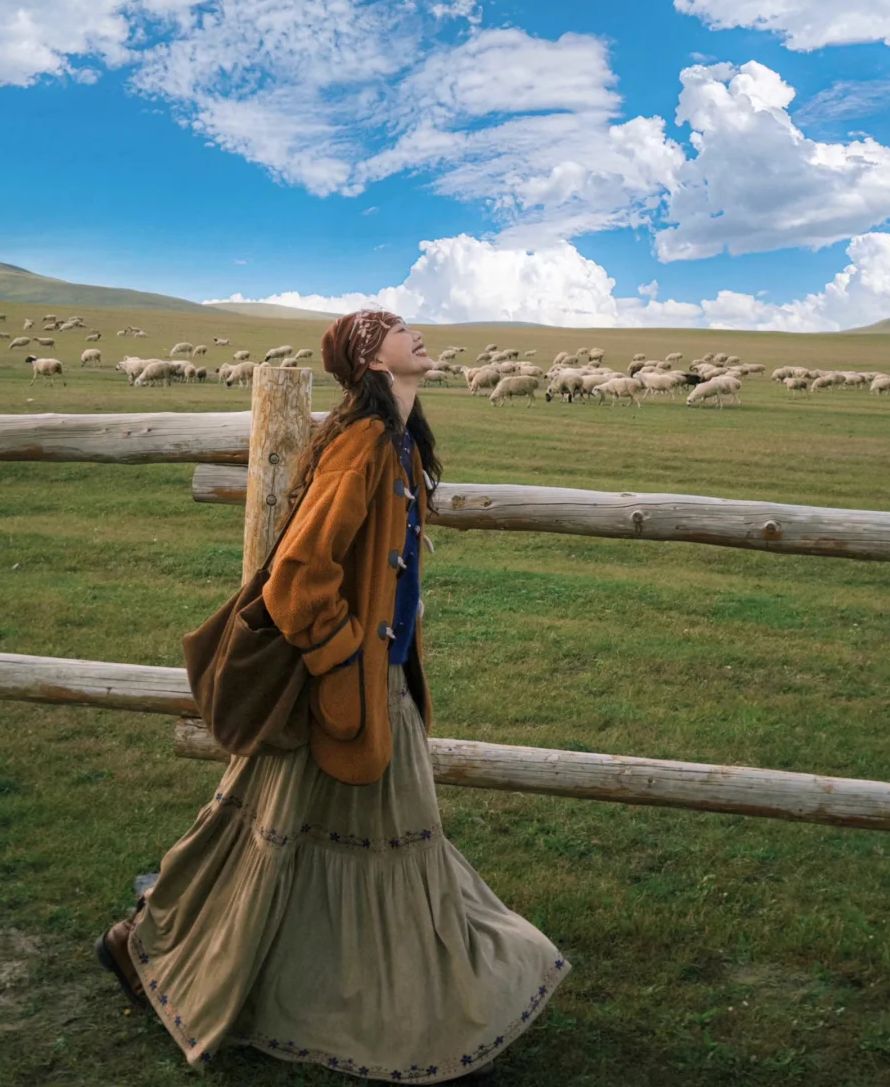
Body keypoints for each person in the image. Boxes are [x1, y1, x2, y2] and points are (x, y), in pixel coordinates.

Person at [96, 309, 571, 1082]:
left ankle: (151, 942)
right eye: (395, 330)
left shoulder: (402, 444)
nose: (415, 336)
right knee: (363, 843)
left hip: (367, 685)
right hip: (352, 684)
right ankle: (413, 1015)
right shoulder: (367, 445)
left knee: (271, 829)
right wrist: (346, 657)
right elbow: (298, 577)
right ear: (370, 360)